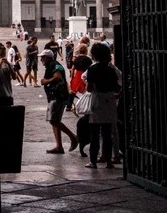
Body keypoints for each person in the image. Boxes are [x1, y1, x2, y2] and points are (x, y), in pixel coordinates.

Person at [84, 41, 121, 169]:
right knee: (107, 133)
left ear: (94, 55)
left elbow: (88, 88)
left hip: (97, 100)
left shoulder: (92, 69)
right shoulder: (111, 69)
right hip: (109, 100)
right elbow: (117, 87)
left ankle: (93, 161)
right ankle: (109, 161)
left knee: (94, 133)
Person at [39, 48, 78, 155]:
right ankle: (59, 146)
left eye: (42, 57)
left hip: (57, 97)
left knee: (53, 120)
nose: (41, 59)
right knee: (55, 120)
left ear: (47, 57)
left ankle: (73, 137)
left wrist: (45, 81)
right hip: (56, 97)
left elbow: (58, 77)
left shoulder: (54, 65)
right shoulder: (53, 65)